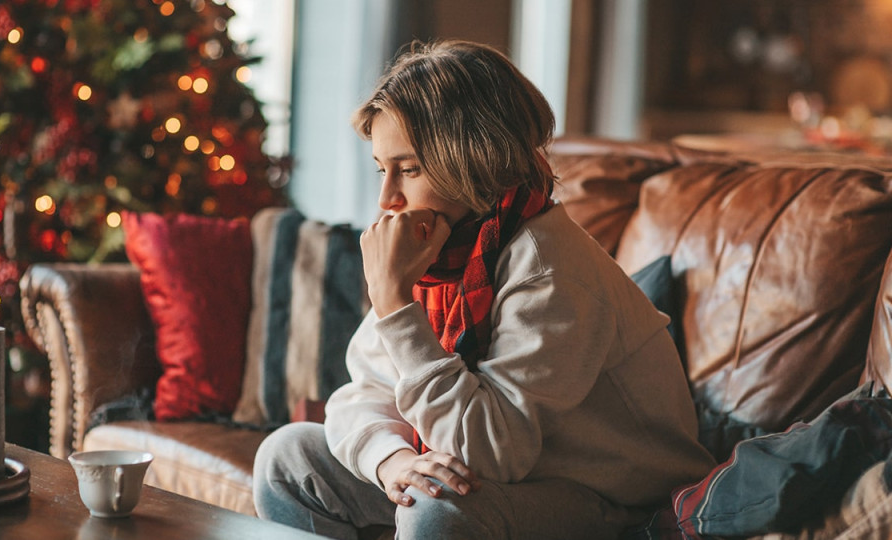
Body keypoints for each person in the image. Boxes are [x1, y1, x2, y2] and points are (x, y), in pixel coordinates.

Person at [252, 39, 715, 540]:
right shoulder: (442, 252)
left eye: (408, 169)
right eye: (382, 169)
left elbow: (489, 453)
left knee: (437, 509)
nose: (387, 199)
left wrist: (394, 304)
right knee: (287, 457)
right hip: (509, 477)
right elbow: (363, 391)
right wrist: (394, 461)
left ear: (472, 159)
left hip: (615, 499)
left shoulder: (547, 270)